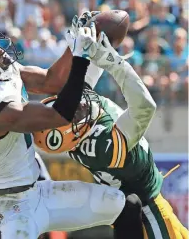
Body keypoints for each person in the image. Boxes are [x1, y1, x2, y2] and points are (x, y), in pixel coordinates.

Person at [0, 20, 141, 238]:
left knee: (128, 205)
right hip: (5, 208)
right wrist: (81, 57)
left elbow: (51, 81)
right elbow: (58, 115)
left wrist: (77, 42)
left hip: (37, 192)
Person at [34, 13, 188, 239]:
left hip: (126, 207)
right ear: (72, 134)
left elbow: (83, 84)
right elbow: (144, 107)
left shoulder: (76, 127)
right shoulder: (102, 146)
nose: (78, 104)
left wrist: (90, 43)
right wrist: (114, 62)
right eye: (74, 112)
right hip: (147, 209)